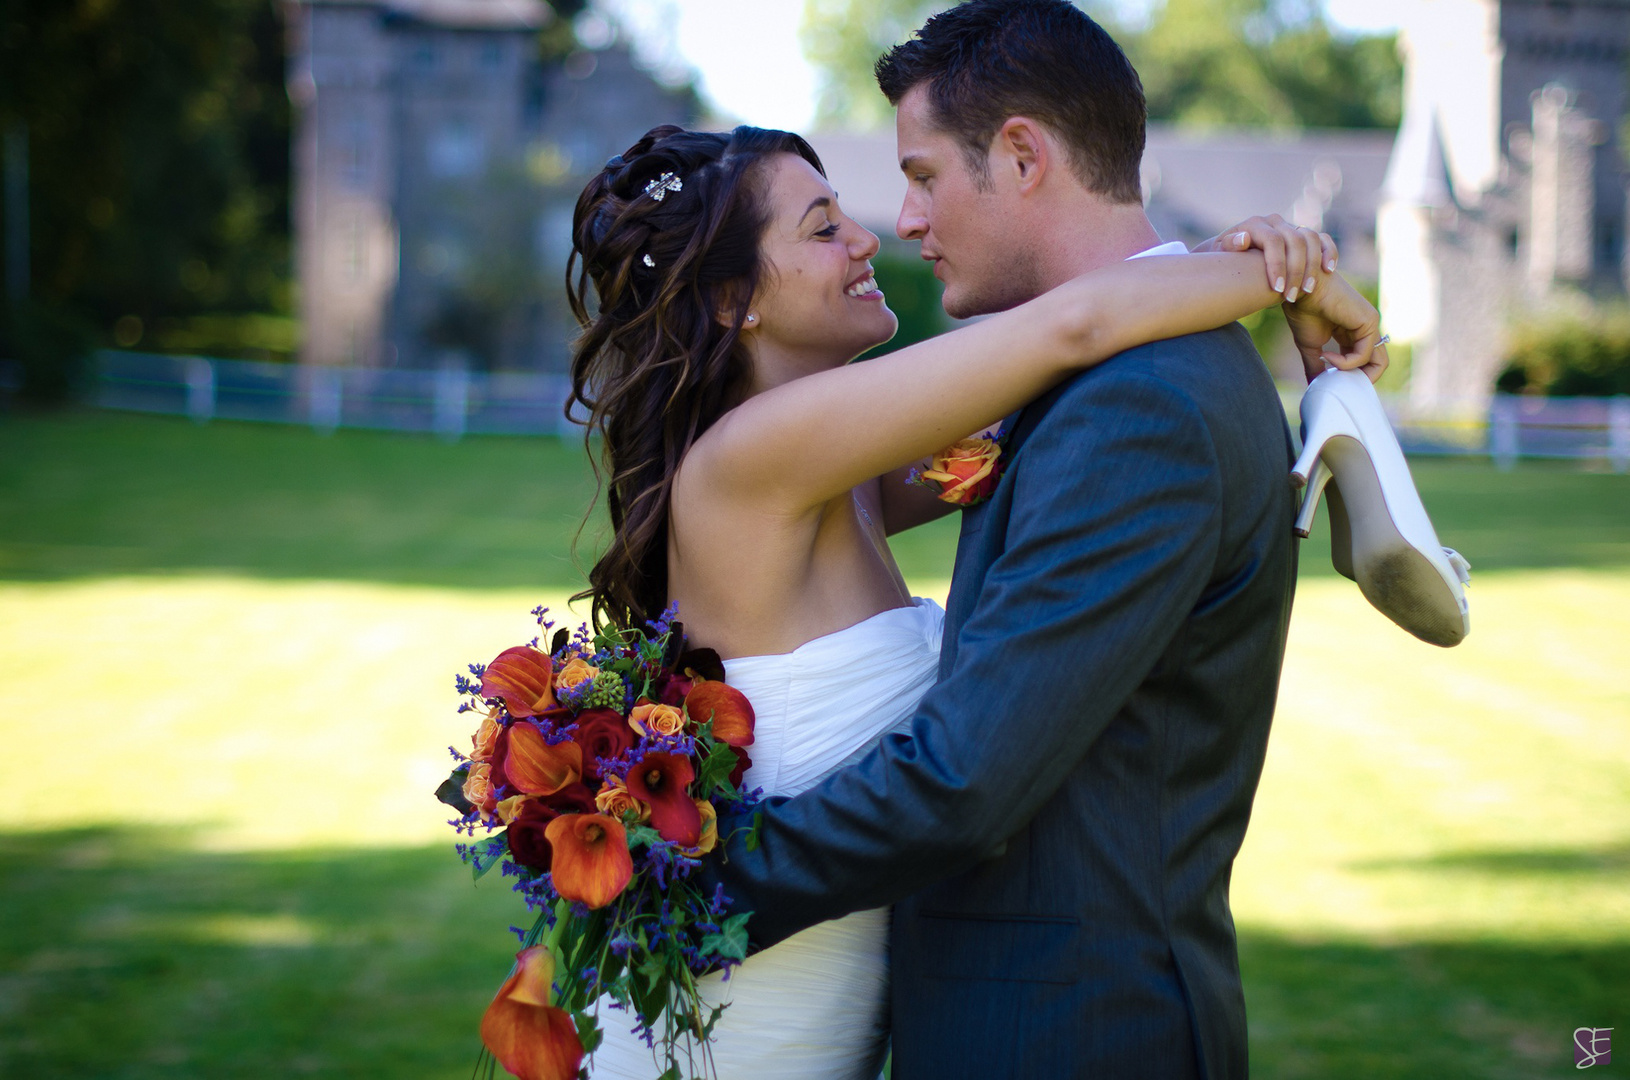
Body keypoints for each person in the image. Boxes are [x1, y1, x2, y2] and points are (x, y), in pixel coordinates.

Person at [566, 88, 1380, 1080]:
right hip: (739, 1012)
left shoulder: (849, 479)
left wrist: (1244, 264)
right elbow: (1071, 331)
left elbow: (1057, 409)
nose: (871, 239)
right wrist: (1279, 276)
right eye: (823, 229)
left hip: (821, 991)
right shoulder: (754, 456)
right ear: (734, 300)